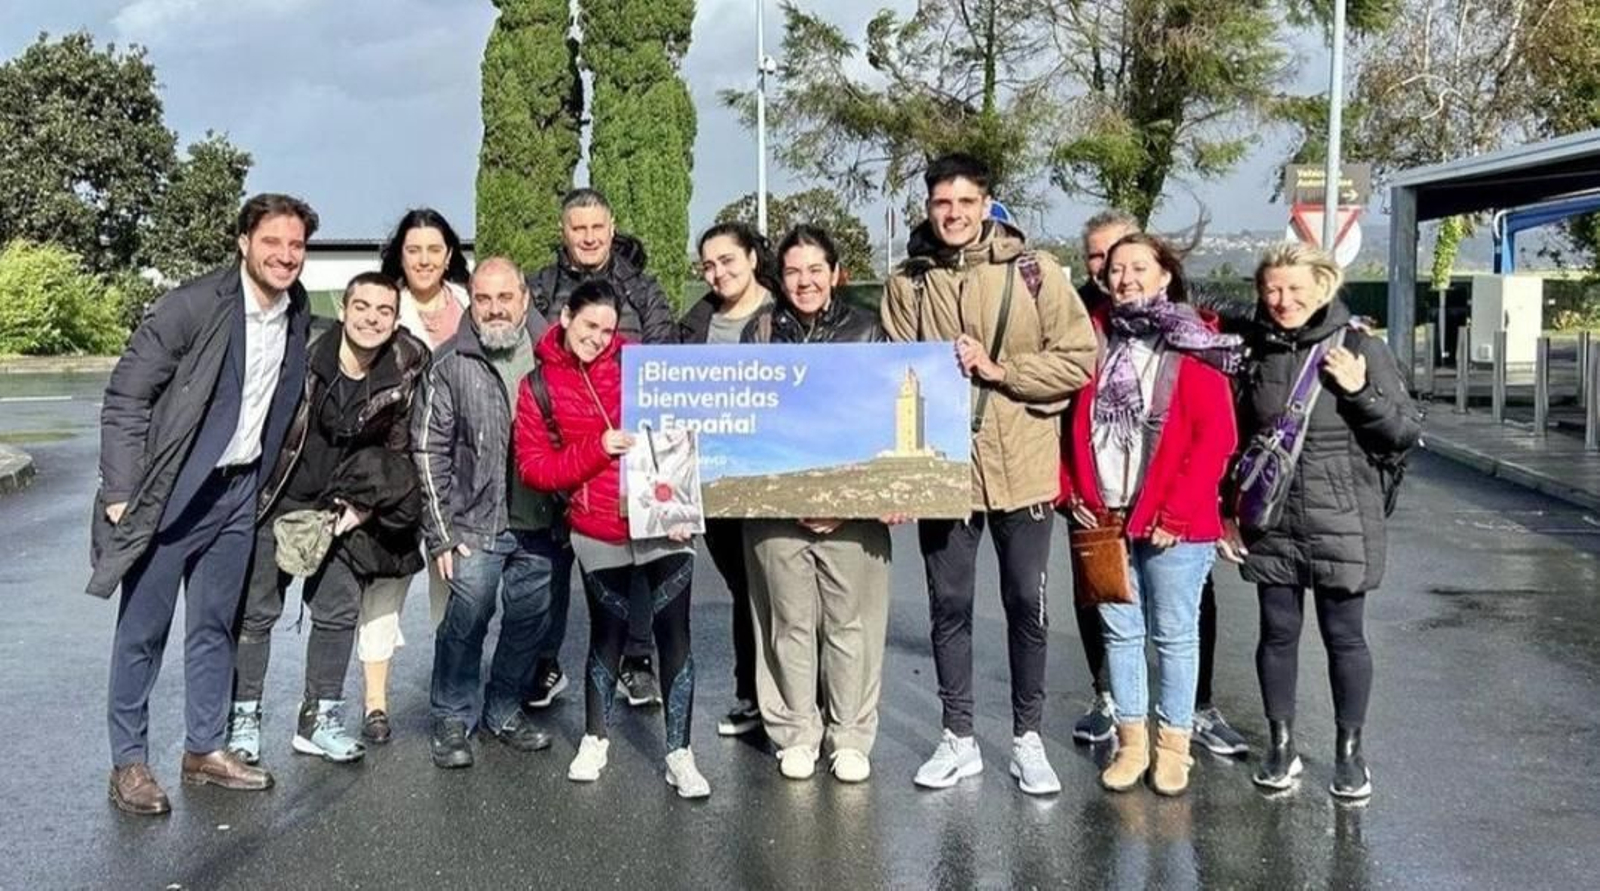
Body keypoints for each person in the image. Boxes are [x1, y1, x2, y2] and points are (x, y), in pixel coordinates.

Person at [91, 193, 317, 815]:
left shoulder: (296, 309)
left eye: (296, 245)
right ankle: (129, 763)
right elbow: (126, 397)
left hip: (236, 492)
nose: (285, 256)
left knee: (216, 625)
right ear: (243, 242)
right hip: (170, 494)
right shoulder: (191, 305)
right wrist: (121, 493)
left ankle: (204, 749)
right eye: (272, 242)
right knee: (143, 631)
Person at [879, 153, 1097, 796]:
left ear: (986, 203)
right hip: (945, 472)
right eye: (942, 203)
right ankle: (959, 737)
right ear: (928, 208)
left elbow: (1078, 359)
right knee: (949, 606)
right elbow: (894, 373)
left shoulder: (1034, 272)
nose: (953, 214)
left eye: (965, 202)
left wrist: (1004, 371)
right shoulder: (908, 283)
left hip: (1022, 467)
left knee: (1026, 605)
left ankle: (1028, 738)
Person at [1218, 243, 1421, 801]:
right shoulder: (1254, 350)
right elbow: (1233, 439)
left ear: (1324, 287)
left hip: (1343, 515)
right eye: (1272, 290)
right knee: (1277, 633)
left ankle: (1349, 754)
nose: (1283, 300)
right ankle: (1280, 745)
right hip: (1271, 515)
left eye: (1295, 289)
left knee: (1344, 637)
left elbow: (1402, 433)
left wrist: (1359, 391)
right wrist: (1226, 513)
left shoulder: (1361, 347)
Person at [1058, 233, 1240, 797]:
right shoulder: (1090, 337)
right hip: (1105, 514)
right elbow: (1066, 423)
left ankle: (1174, 747)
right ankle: (1132, 744)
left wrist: (1176, 513)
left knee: (1175, 636)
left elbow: (1216, 436)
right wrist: (1071, 490)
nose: (1126, 278)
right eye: (1116, 269)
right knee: (1120, 634)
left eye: (1139, 267)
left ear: (1165, 275)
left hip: (1173, 522)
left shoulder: (1190, 340)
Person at [514, 280, 711, 799]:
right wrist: (597, 449)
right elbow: (535, 468)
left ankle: (679, 753)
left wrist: (685, 503)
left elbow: (687, 427)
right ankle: (595, 738)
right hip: (597, 527)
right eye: (588, 326)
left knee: (675, 636)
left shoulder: (641, 367)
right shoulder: (538, 385)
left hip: (665, 521)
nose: (597, 338)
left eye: (607, 329)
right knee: (607, 636)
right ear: (565, 317)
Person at [228, 272, 430, 763]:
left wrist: (366, 508)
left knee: (337, 613)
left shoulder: (403, 367)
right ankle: (243, 719)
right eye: (362, 307)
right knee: (257, 614)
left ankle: (319, 719)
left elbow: (398, 452)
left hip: (341, 506)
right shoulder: (303, 352)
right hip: (278, 500)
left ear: (395, 320)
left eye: (384, 311)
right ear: (343, 308)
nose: (372, 319)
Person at [741, 225, 894, 783]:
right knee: (788, 626)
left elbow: (881, 418)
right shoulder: (759, 333)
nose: (804, 281)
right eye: (792, 271)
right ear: (779, 279)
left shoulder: (869, 330)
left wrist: (851, 501)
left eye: (814, 270)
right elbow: (748, 420)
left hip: (852, 513)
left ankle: (850, 735)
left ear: (834, 273)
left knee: (851, 626)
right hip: (777, 512)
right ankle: (795, 732)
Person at [524, 188, 677, 710]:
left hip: (627, 448)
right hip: (561, 442)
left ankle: (637, 660)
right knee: (552, 565)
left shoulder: (643, 289)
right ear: (563, 231)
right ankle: (545, 662)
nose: (588, 237)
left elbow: (662, 360)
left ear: (611, 228)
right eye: (578, 228)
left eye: (597, 227)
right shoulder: (540, 288)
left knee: (636, 559)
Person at [414, 257, 566, 769]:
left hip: (540, 522)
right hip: (474, 524)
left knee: (528, 623)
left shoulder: (555, 356)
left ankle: (503, 709)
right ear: (471, 302)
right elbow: (428, 450)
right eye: (483, 298)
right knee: (467, 621)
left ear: (525, 299)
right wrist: (440, 533)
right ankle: (452, 716)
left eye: (505, 297)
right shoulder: (449, 362)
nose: (495, 308)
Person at [368, 207, 473, 741]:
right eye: (414, 250)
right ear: (400, 255)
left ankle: (449, 695)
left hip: (456, 473)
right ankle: (375, 703)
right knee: (384, 584)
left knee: (451, 586)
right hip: (396, 467)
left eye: (434, 249)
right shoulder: (385, 305)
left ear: (449, 254)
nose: (425, 260)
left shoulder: (472, 305)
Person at [677, 221, 783, 738]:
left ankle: (798, 699)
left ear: (752, 259)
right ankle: (752, 695)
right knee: (743, 587)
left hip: (774, 476)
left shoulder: (783, 317)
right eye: (708, 265)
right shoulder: (695, 323)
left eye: (727, 260)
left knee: (780, 589)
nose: (717, 273)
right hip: (714, 482)